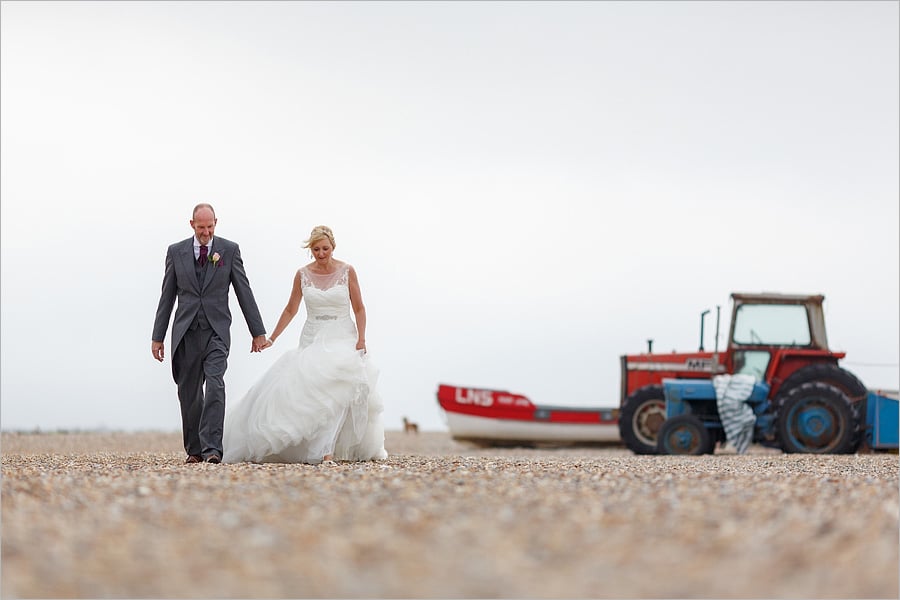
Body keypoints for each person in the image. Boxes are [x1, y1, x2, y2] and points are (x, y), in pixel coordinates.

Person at [222, 225, 387, 464]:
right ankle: (318, 447)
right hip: (312, 336)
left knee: (340, 386)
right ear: (311, 250)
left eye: (325, 249)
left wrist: (361, 337)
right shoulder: (302, 274)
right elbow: (291, 309)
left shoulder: (347, 271)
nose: (321, 253)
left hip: (342, 335)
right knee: (315, 392)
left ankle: (327, 448)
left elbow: (359, 308)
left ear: (333, 247)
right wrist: (272, 338)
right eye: (317, 249)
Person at [151, 203, 268, 464]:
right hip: (186, 332)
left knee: (215, 384)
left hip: (216, 331)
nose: (206, 232)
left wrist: (257, 331)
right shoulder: (176, 252)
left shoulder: (229, 250)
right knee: (189, 392)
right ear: (191, 224)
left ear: (216, 222)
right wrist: (157, 336)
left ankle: (213, 449)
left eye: (210, 227)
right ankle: (194, 449)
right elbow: (167, 296)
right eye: (201, 227)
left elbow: (243, 291)